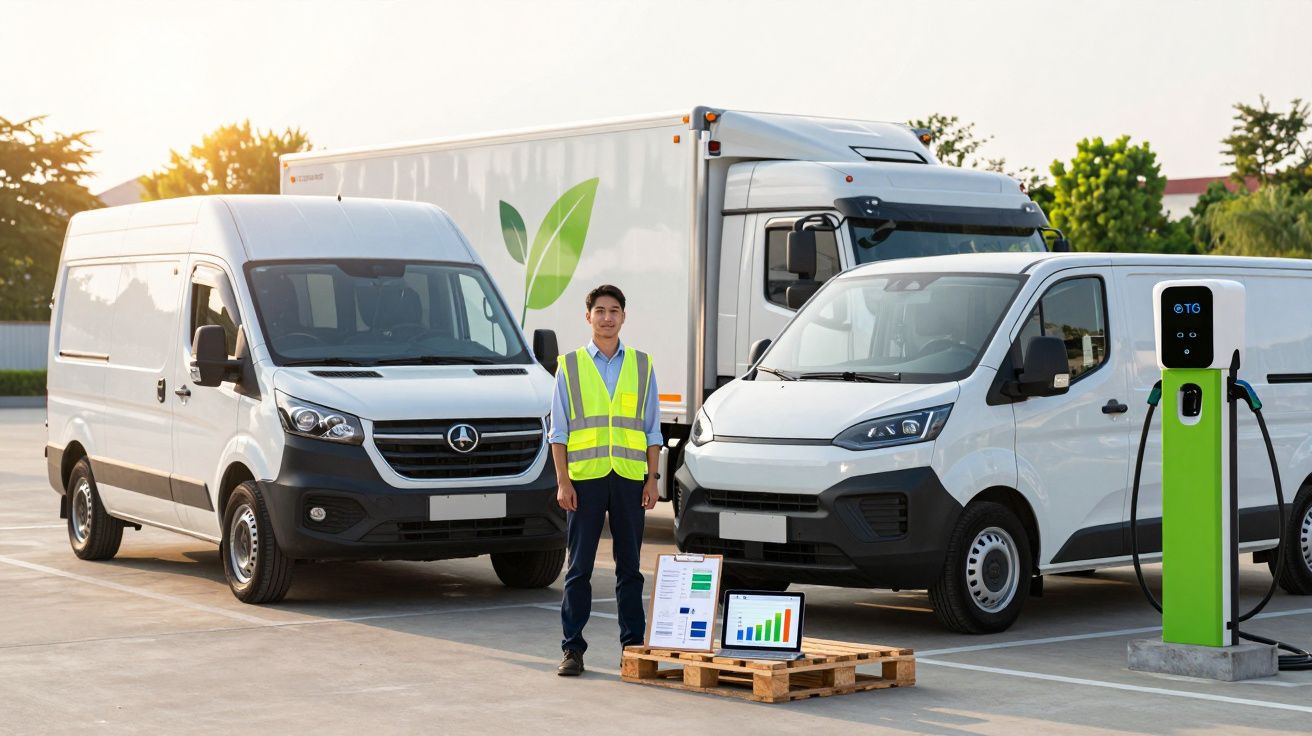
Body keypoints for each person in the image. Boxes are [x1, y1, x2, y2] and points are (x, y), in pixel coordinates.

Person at [551, 284, 661, 677]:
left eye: (614, 310)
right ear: (588, 317)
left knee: (630, 568)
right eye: (600, 310)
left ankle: (632, 649)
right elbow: (558, 432)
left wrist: (652, 479)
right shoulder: (570, 366)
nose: (607, 317)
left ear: (623, 316)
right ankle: (572, 649)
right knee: (579, 568)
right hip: (585, 481)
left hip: (630, 478)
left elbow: (652, 430)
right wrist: (563, 481)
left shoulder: (642, 365)